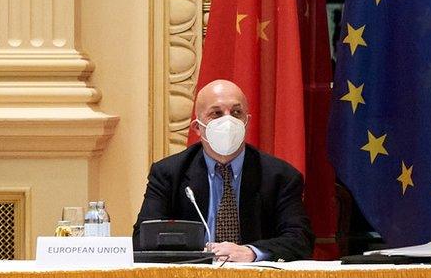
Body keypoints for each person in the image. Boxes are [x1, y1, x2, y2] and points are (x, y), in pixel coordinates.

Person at [134, 78, 313, 262]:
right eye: (216, 114)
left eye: (236, 112)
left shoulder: (280, 176)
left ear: (246, 122)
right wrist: (198, 253)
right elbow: (142, 238)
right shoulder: (169, 173)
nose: (228, 121)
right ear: (197, 127)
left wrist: (251, 252)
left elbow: (300, 240)